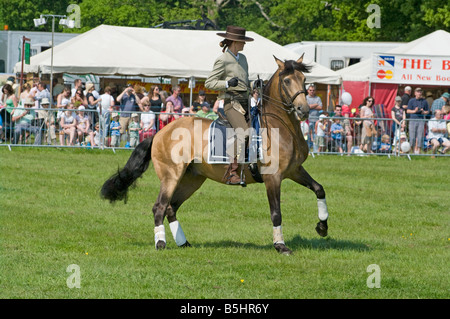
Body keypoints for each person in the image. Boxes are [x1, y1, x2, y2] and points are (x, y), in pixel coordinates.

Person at [204, 25, 256, 185]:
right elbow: (209, 82)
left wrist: (255, 84)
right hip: (231, 103)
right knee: (244, 133)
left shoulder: (244, 59)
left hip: (245, 102)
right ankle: (231, 171)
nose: (244, 44)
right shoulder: (223, 59)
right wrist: (227, 83)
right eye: (242, 41)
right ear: (234, 42)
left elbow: (246, 82)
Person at [407, 87, 429, 154]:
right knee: (412, 136)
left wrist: (423, 112)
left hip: (421, 120)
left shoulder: (424, 101)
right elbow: (408, 111)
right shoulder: (411, 100)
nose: (419, 93)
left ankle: (419, 150)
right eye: (418, 92)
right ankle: (412, 150)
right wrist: (414, 111)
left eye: (420, 92)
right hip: (413, 120)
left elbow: (427, 111)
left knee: (420, 135)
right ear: (415, 93)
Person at [306, 83, 323, 151]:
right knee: (307, 135)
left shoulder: (318, 98)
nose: (312, 91)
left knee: (315, 135)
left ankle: (315, 150)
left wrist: (310, 106)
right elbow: (306, 107)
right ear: (308, 91)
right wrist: (316, 104)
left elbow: (320, 107)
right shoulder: (305, 98)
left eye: (313, 90)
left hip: (316, 120)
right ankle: (307, 149)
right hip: (308, 119)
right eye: (310, 90)